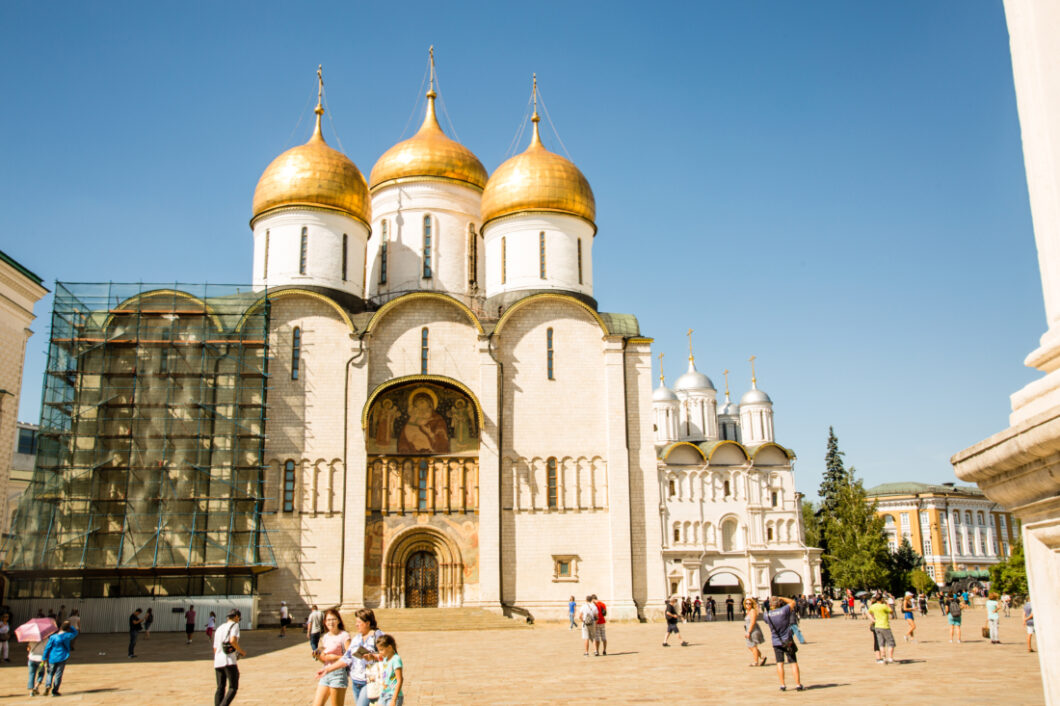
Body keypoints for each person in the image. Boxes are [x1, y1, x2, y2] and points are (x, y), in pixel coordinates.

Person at [326, 608, 383, 706]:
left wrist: (373, 656)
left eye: (359, 622)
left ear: (368, 623)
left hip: (371, 680)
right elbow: (347, 658)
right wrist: (328, 669)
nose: (356, 624)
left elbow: (390, 654)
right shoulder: (357, 638)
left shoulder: (378, 635)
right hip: (356, 682)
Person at [763, 596, 804, 691]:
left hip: (776, 641)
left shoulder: (767, 614)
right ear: (779, 603)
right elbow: (793, 602)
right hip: (787, 640)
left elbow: (766, 622)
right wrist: (781, 597)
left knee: (779, 663)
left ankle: (782, 685)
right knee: (793, 662)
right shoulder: (784, 610)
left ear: (770, 604)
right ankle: (798, 684)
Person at [311, 609, 351, 706]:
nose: (331, 622)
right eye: (328, 620)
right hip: (326, 672)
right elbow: (325, 659)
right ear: (324, 622)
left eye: (333, 619)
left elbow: (350, 657)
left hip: (338, 674)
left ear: (338, 620)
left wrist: (335, 657)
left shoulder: (344, 636)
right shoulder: (325, 637)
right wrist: (318, 656)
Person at [214, 609, 245, 706]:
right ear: (236, 616)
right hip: (228, 661)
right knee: (233, 687)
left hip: (218, 661)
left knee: (220, 687)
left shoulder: (219, 628)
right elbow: (232, 641)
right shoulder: (234, 625)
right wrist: (241, 651)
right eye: (239, 618)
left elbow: (215, 648)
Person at [41, 619, 77, 697]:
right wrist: (71, 626)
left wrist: (44, 657)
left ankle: (48, 685)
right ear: (68, 628)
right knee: (58, 674)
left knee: (50, 673)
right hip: (63, 656)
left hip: (52, 657)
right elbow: (75, 632)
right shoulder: (68, 636)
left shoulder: (53, 637)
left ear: (60, 628)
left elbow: (48, 648)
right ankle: (55, 690)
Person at [377, 634, 403, 706]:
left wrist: (394, 700)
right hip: (384, 694)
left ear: (389, 647)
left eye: (381, 650)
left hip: (393, 695)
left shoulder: (396, 659)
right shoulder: (385, 659)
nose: (380, 653)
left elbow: (399, 680)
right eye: (379, 650)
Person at [868, 593, 895, 663]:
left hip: (877, 626)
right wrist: (888, 605)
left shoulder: (873, 606)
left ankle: (883, 656)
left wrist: (873, 620)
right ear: (882, 598)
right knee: (891, 642)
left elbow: (868, 612)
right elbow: (892, 612)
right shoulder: (884, 606)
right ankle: (890, 657)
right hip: (885, 625)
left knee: (881, 643)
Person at [743, 598, 767, 666]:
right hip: (749, 630)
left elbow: (753, 622)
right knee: (750, 646)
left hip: (753, 631)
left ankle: (756, 662)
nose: (748, 605)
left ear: (752, 604)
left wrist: (749, 632)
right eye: (746, 603)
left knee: (753, 646)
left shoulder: (752, 611)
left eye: (749, 603)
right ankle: (762, 657)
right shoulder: (748, 611)